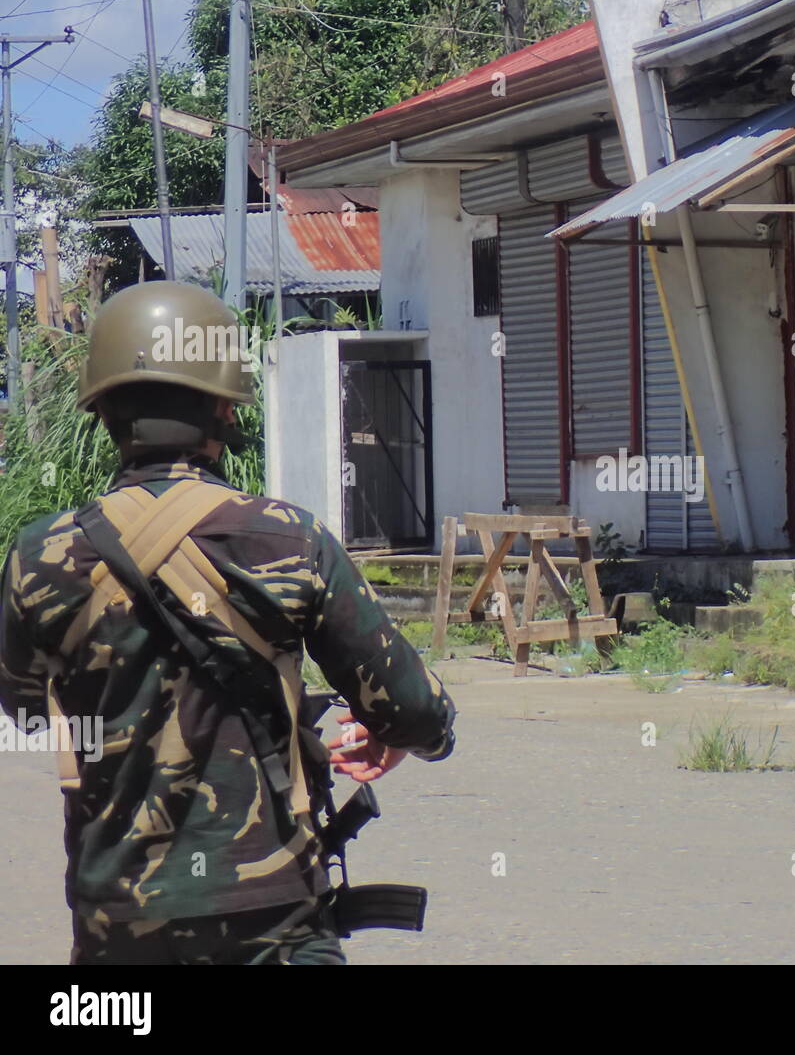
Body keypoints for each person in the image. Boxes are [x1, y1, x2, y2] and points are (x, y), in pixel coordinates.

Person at [0, 281, 455, 965]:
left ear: (103, 408)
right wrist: (400, 735)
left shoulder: (39, 556)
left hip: (116, 928)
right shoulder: (289, 539)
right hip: (272, 917)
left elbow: (24, 709)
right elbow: (416, 708)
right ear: (222, 406)